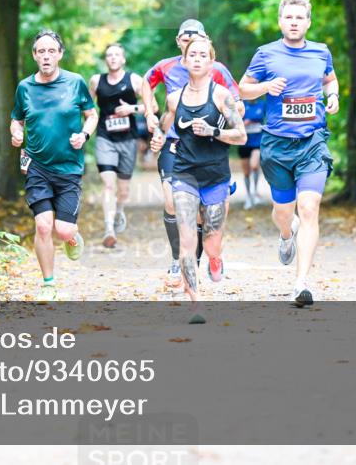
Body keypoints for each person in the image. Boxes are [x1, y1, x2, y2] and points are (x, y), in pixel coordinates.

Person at [239, 0, 340, 307]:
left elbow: (330, 80)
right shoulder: (266, 54)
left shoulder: (321, 52)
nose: (294, 22)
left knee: (309, 208)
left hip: (312, 141)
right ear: (281, 21)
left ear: (308, 22)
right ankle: (286, 235)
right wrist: (265, 88)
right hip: (277, 144)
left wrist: (333, 95)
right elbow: (242, 88)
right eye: (289, 17)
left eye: (300, 18)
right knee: (285, 213)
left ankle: (301, 283)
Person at [150, 36, 246, 323]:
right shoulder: (174, 97)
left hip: (215, 176)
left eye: (203, 55)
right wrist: (157, 137)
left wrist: (213, 132)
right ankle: (196, 304)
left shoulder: (221, 96)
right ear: (185, 59)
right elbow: (166, 123)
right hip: (184, 173)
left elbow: (241, 136)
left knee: (212, 241)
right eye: (193, 54)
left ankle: (215, 259)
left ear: (211, 61)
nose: (197, 59)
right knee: (188, 238)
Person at [10, 30, 98, 300]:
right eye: (41, 51)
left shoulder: (75, 83)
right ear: (34, 56)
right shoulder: (25, 88)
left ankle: (72, 237)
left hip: (69, 167)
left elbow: (91, 115)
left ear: (60, 54)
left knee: (63, 229)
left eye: (51, 51)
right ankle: (48, 283)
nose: (46, 56)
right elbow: (17, 119)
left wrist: (83, 135)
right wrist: (15, 132)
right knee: (43, 226)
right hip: (37, 166)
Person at [89, 43, 145, 249]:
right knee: (108, 185)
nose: (112, 58)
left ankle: (119, 210)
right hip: (105, 138)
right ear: (106, 60)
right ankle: (108, 230)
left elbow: (153, 106)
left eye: (116, 55)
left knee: (123, 190)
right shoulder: (96, 81)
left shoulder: (134, 80)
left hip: (128, 139)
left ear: (123, 59)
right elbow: (88, 108)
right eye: (109, 55)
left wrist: (132, 108)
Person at [239, 96, 266, 210]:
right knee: (246, 173)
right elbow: (234, 122)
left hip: (257, 142)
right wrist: (243, 124)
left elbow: (265, 117)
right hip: (244, 142)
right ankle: (249, 196)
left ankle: (255, 192)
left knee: (254, 166)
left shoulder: (262, 104)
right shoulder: (242, 105)